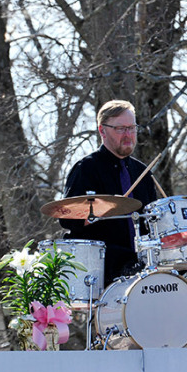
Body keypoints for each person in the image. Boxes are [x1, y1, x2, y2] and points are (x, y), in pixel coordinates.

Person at [61, 100, 157, 285]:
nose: (128, 135)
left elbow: (153, 220)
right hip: (104, 266)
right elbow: (66, 218)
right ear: (102, 131)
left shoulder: (142, 172)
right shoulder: (86, 168)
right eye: (121, 129)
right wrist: (92, 215)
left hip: (143, 263)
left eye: (132, 128)